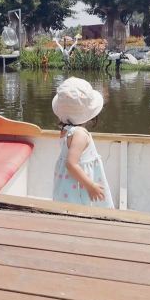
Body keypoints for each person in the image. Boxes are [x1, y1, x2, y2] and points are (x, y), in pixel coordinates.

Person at [51, 77, 114, 208]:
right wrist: (91, 186)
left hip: (66, 187)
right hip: (79, 188)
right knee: (83, 209)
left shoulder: (65, 130)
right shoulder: (80, 134)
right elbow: (71, 164)